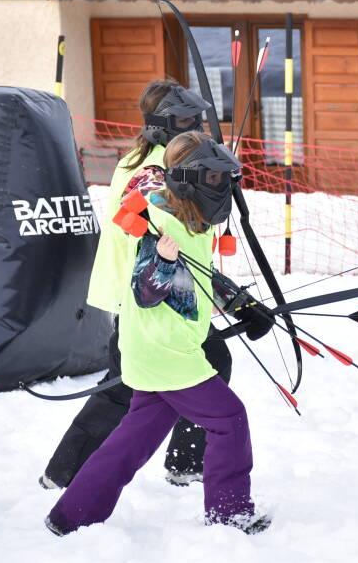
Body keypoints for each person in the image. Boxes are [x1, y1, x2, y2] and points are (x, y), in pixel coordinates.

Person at [45, 131, 271, 536]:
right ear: (189, 179)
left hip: (159, 347)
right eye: (214, 179)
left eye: (224, 179)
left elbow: (199, 276)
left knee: (131, 441)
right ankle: (230, 513)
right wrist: (162, 263)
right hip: (166, 351)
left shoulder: (191, 219)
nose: (221, 186)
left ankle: (70, 515)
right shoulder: (161, 225)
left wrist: (242, 304)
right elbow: (145, 292)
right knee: (228, 418)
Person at [40, 79, 234, 490]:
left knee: (203, 362)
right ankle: (65, 473)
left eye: (195, 117)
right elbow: (150, 217)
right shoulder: (153, 167)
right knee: (124, 388)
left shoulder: (158, 155)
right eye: (184, 119)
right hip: (142, 292)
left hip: (153, 288)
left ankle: (184, 461)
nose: (194, 123)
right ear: (163, 122)